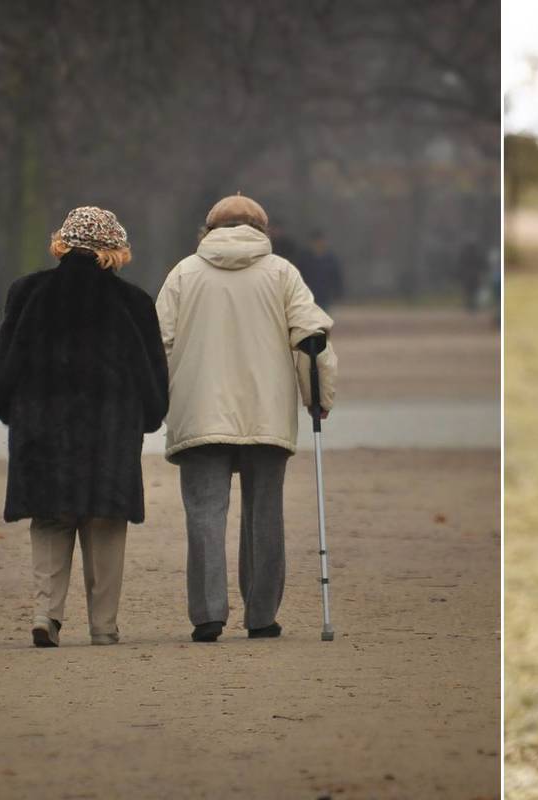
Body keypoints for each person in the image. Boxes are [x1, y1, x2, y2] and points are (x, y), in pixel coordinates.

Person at [155, 194, 337, 643]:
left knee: (204, 514)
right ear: (264, 230)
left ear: (208, 230)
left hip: (199, 411)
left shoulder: (183, 273)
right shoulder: (283, 274)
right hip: (266, 413)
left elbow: (158, 343)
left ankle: (208, 614)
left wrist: (154, 403)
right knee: (265, 513)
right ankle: (261, 615)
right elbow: (312, 341)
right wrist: (318, 397)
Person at [0, 206, 169, 648]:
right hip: (110, 429)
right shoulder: (133, 302)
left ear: (62, 244)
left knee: (50, 519)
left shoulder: (26, 292)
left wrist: (12, 411)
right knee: (105, 522)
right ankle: (103, 626)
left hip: (41, 428)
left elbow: (3, 370)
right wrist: (148, 417)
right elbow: (152, 376)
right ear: (115, 250)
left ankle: (46, 614)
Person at [298, 229, 344, 309]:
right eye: (316, 241)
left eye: (321, 241)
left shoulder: (330, 258)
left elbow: (336, 276)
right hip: (308, 295)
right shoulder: (305, 258)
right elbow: (300, 275)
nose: (319, 244)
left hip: (325, 295)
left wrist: (337, 292)